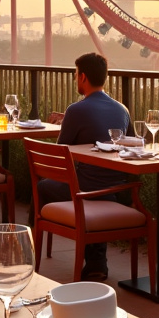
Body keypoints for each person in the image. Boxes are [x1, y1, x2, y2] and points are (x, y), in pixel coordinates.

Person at [39, 52, 132, 281]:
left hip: (88, 187)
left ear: (82, 77)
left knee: (44, 187)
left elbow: (62, 155)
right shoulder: (122, 110)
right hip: (120, 188)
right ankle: (96, 262)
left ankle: (32, 250)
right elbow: (132, 144)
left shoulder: (76, 110)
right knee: (92, 189)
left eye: (75, 75)